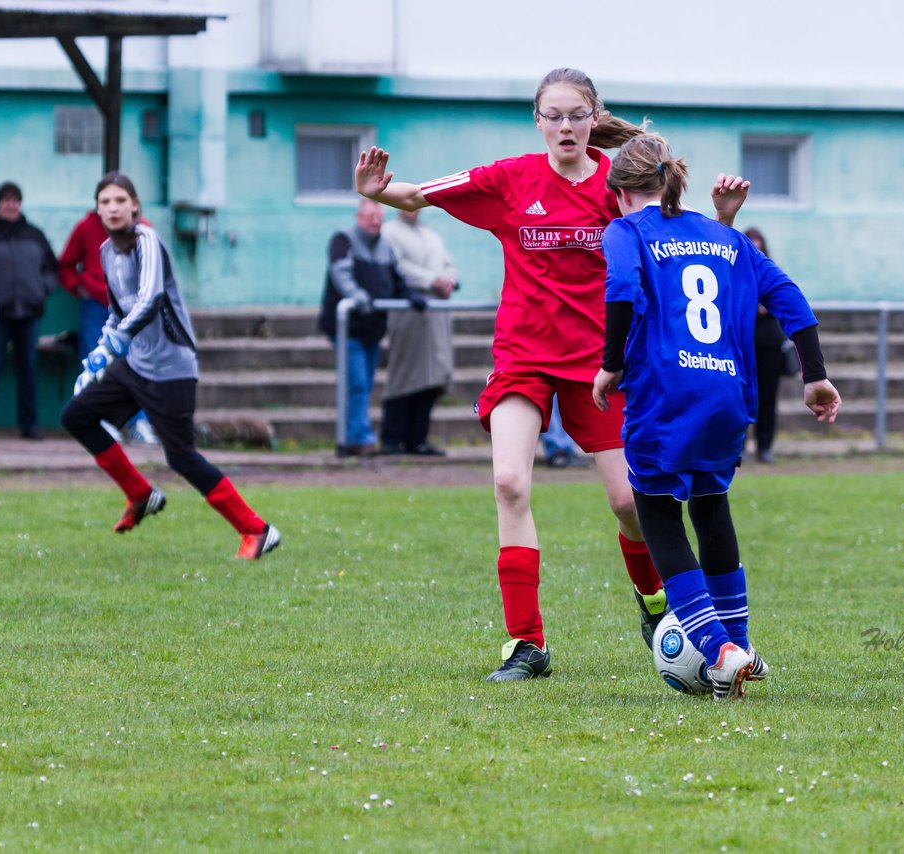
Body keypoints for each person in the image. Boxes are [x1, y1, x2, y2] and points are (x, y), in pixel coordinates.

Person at [355, 66, 751, 682]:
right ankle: (526, 645)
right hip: (523, 355)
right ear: (537, 121)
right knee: (510, 482)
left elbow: (689, 254)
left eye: (576, 114)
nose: (564, 126)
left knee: (629, 502)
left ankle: (653, 603)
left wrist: (724, 217)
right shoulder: (508, 179)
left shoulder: (620, 188)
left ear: (594, 118)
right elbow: (414, 196)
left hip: (603, 364)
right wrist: (377, 190)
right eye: (553, 115)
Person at [593, 134, 841, 699]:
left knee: (655, 512)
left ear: (622, 194)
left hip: (665, 392)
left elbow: (624, 289)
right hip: (727, 396)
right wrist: (816, 375)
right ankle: (742, 644)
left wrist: (610, 365)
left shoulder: (626, 230)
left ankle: (717, 648)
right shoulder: (722, 236)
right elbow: (789, 297)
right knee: (710, 506)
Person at [60, 172, 280, 560]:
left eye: (119, 200)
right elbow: (117, 312)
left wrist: (113, 344)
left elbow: (150, 299)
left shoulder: (148, 242)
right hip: (135, 364)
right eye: (105, 201)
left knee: (181, 457)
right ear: (97, 209)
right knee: (76, 416)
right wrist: (98, 357)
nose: (112, 207)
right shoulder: (106, 253)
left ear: (135, 206)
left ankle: (257, 529)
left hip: (171, 368)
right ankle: (140, 494)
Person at [316, 199, 424, 457]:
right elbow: (341, 275)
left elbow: (397, 278)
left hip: (373, 327)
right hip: (348, 327)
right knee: (357, 383)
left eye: (379, 217)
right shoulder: (343, 240)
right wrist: (359, 298)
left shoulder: (386, 247)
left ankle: (356, 435)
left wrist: (410, 295)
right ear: (359, 217)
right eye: (371, 216)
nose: (376, 221)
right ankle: (358, 438)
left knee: (363, 383)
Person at [58, 207, 159, 445]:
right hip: (96, 303)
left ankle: (138, 423)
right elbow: (66, 265)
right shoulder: (86, 226)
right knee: (97, 363)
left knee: (138, 364)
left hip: (132, 307)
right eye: (107, 199)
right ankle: (98, 421)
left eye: (121, 199)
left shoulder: (144, 229)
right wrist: (77, 286)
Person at [0, 180, 57, 440]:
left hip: (29, 313)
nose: (10, 204)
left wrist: (41, 289)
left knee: (27, 369)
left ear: (20, 203)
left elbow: (51, 268)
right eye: (6, 200)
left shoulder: (35, 234)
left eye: (15, 200)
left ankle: (29, 426)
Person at [378, 207, 456, 456]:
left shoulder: (431, 235)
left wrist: (449, 280)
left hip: (436, 316)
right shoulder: (389, 232)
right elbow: (398, 267)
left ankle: (418, 438)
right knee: (404, 376)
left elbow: (449, 264)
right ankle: (392, 438)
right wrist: (431, 280)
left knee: (432, 377)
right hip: (410, 313)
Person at [746, 227, 788, 464]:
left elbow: (784, 302)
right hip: (744, 344)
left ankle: (765, 447)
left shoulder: (770, 272)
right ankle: (738, 448)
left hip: (769, 345)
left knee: (768, 399)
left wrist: (767, 306)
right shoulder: (734, 271)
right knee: (740, 397)